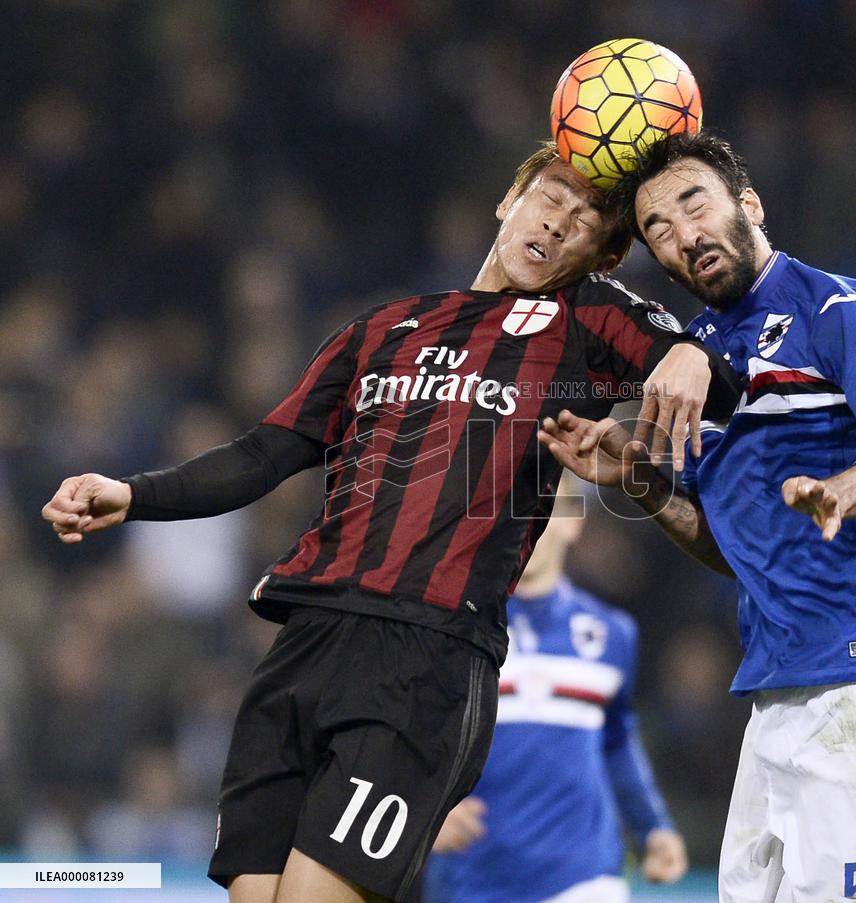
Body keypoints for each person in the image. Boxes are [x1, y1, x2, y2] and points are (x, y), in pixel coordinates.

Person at [41, 142, 741, 903]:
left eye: (583, 222)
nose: (557, 223)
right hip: (305, 643)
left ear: (600, 257)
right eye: (550, 197)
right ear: (509, 200)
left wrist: (691, 359)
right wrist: (133, 493)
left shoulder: (588, 323)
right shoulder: (382, 328)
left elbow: (713, 379)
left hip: (427, 657)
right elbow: (264, 451)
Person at [539, 131, 856, 902]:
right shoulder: (692, 365)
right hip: (777, 699)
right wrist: (641, 478)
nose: (683, 234)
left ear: (749, 204)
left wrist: (848, 488)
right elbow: (733, 549)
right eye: (658, 227)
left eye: (694, 203)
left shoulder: (838, 306)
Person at [426, 479, 687, 903]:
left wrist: (653, 827)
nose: (531, 520)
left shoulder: (612, 634)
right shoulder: (444, 631)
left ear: (574, 523)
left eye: (547, 505)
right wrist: (423, 813)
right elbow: (402, 736)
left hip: (583, 878)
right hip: (470, 878)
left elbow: (617, 740)